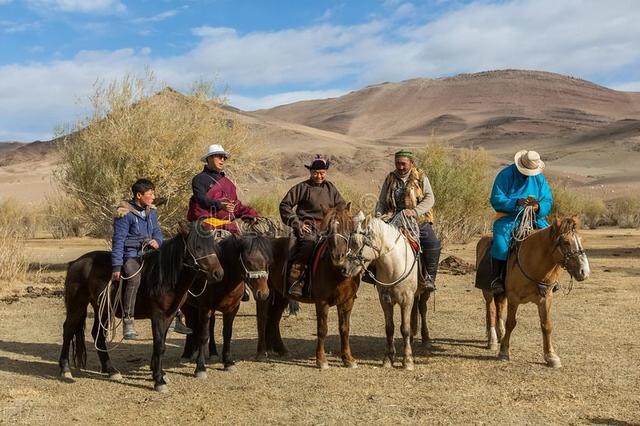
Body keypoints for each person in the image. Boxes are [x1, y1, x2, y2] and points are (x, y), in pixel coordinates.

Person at [187, 143, 258, 301]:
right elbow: (201, 200)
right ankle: (190, 290)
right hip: (205, 224)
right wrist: (219, 205)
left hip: (228, 225)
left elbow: (235, 206)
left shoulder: (229, 183)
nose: (222, 159)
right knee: (203, 253)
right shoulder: (199, 179)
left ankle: (242, 284)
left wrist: (250, 214)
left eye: (224, 157)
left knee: (245, 248)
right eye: (219, 156)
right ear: (209, 158)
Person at [279, 154, 346, 297]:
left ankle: (346, 280)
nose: (319, 176)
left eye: (322, 173)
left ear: (325, 173)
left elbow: (341, 205)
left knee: (343, 243)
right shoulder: (302, 187)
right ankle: (296, 280)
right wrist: (298, 224)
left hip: (327, 227)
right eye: (315, 173)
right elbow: (285, 205)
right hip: (308, 227)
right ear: (310, 172)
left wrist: (336, 218)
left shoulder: (331, 188)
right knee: (308, 245)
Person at [374, 149, 441, 292]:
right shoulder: (390, 178)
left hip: (418, 219)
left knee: (432, 242)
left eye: (403, 164)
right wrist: (379, 217)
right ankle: (374, 275)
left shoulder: (421, 177)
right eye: (397, 163)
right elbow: (381, 201)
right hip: (392, 218)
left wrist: (415, 211)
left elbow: (430, 198)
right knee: (374, 241)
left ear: (411, 163)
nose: (400, 167)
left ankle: (429, 278)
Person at [489, 149, 553, 294]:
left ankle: (549, 279)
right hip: (509, 218)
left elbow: (548, 199)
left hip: (534, 218)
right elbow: (496, 198)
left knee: (553, 239)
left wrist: (538, 207)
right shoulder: (505, 175)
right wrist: (516, 202)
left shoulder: (539, 178)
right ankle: (497, 279)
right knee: (500, 245)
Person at [111, 179, 163, 340]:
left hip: (150, 253)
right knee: (133, 279)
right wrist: (117, 266)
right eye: (150, 194)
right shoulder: (124, 214)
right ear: (139, 195)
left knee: (169, 271)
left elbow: (157, 232)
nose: (153, 197)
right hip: (131, 254)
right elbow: (118, 240)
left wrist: (158, 241)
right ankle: (128, 321)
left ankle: (174, 316)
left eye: (153, 193)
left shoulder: (151, 212)